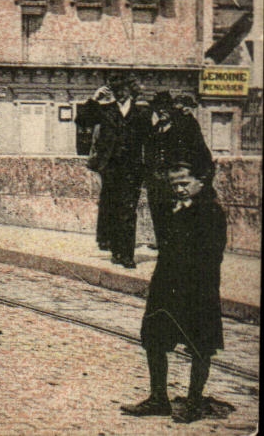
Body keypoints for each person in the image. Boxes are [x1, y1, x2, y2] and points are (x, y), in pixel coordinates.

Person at [122, 163, 228, 423]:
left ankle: (193, 403)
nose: (179, 189)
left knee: (200, 346)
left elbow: (211, 254)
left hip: (196, 289)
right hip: (167, 288)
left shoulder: (211, 212)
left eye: (184, 183)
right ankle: (159, 398)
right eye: (174, 185)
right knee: (154, 339)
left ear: (201, 182)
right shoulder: (172, 209)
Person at [78, 74, 153, 267]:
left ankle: (127, 254)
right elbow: (82, 120)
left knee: (128, 211)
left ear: (130, 91)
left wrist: (148, 168)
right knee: (112, 209)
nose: (120, 93)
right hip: (110, 169)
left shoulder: (142, 113)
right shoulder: (105, 111)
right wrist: (95, 98)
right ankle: (116, 251)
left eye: (123, 89)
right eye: (116, 90)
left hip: (133, 169)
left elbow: (149, 142)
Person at [142, 93, 215, 249]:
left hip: (176, 179)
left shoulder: (183, 128)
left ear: (172, 109)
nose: (162, 111)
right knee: (158, 212)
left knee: (179, 212)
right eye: (158, 108)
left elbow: (199, 151)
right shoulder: (154, 131)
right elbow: (148, 154)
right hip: (156, 180)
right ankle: (163, 243)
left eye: (165, 108)